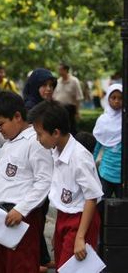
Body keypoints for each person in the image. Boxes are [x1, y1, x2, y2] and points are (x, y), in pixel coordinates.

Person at [28, 100, 103, 269]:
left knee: (74, 268)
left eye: (40, 134)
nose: (38, 139)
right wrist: (58, 230)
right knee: (63, 266)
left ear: (55, 132)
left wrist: (80, 237)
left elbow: (92, 197)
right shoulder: (55, 151)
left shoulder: (79, 157)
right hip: (64, 217)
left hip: (81, 219)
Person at [0, 91, 53, 273]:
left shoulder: (35, 141)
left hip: (21, 215)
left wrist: (21, 210)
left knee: (20, 266)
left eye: (1, 124)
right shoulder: (7, 144)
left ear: (17, 116)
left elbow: (44, 182)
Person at [22, 67, 57, 271]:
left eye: (51, 85)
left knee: (40, 216)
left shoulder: (46, 106)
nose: (48, 89)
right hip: (35, 169)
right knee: (36, 215)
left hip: (46, 166)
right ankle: (39, 258)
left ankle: (41, 257)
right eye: (44, 85)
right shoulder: (31, 108)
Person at [93, 84, 123, 198]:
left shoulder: (125, 120)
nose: (116, 101)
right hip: (105, 172)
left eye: (120, 98)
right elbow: (97, 147)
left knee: (123, 207)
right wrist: (90, 164)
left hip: (122, 174)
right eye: (113, 97)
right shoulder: (103, 121)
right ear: (107, 99)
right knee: (102, 205)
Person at [52, 63, 83, 135]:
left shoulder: (74, 81)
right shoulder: (58, 81)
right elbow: (54, 96)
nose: (59, 71)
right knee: (60, 129)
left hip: (70, 109)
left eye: (61, 70)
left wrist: (77, 112)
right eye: (58, 70)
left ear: (66, 70)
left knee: (71, 130)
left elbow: (78, 97)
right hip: (59, 109)